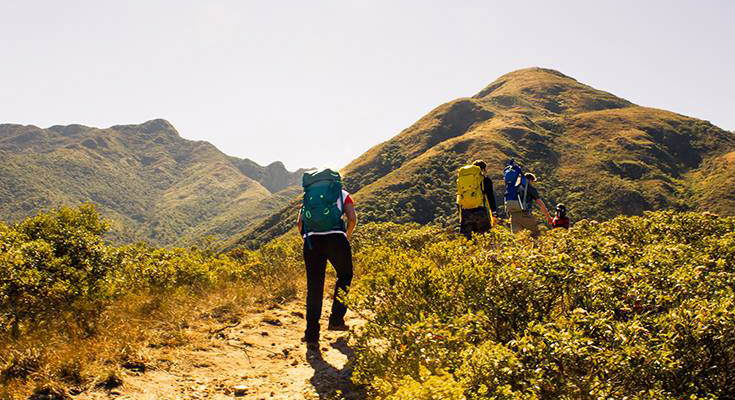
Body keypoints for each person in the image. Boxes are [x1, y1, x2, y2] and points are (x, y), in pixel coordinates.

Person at [296, 169, 357, 349]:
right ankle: (336, 320)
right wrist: (346, 235)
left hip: (312, 241)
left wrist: (307, 239)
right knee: (345, 276)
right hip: (336, 239)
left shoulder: (308, 196)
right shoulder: (343, 194)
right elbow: (352, 218)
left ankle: (311, 334)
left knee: (314, 287)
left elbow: (299, 223)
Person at [457, 160, 498, 239]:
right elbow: (490, 197)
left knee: (467, 241)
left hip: (465, 212)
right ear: (482, 170)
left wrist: (460, 215)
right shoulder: (485, 180)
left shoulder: (463, 181)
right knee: (484, 238)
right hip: (480, 211)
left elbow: (459, 197)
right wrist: (494, 213)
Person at [508, 172, 552, 238]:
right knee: (535, 234)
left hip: (513, 215)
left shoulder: (515, 187)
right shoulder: (530, 188)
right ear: (530, 180)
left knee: (517, 238)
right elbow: (541, 204)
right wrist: (548, 217)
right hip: (524, 215)